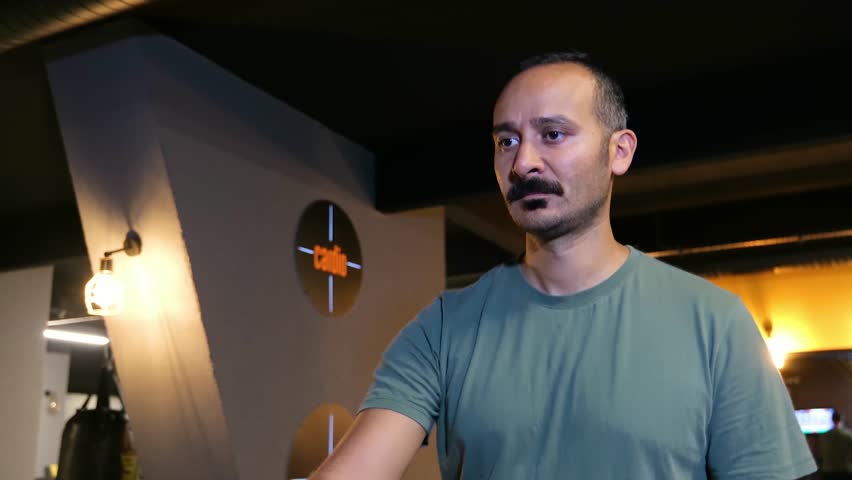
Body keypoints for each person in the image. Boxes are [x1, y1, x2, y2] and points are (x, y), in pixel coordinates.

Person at [308, 52, 817, 479]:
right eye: (506, 141)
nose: (523, 161)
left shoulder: (716, 323)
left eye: (552, 134)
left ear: (619, 151)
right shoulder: (443, 328)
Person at [821, 412, 852, 479]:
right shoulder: (848, 434)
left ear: (832, 420)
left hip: (828, 470)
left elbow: (821, 452)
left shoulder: (825, 435)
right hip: (843, 469)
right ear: (841, 419)